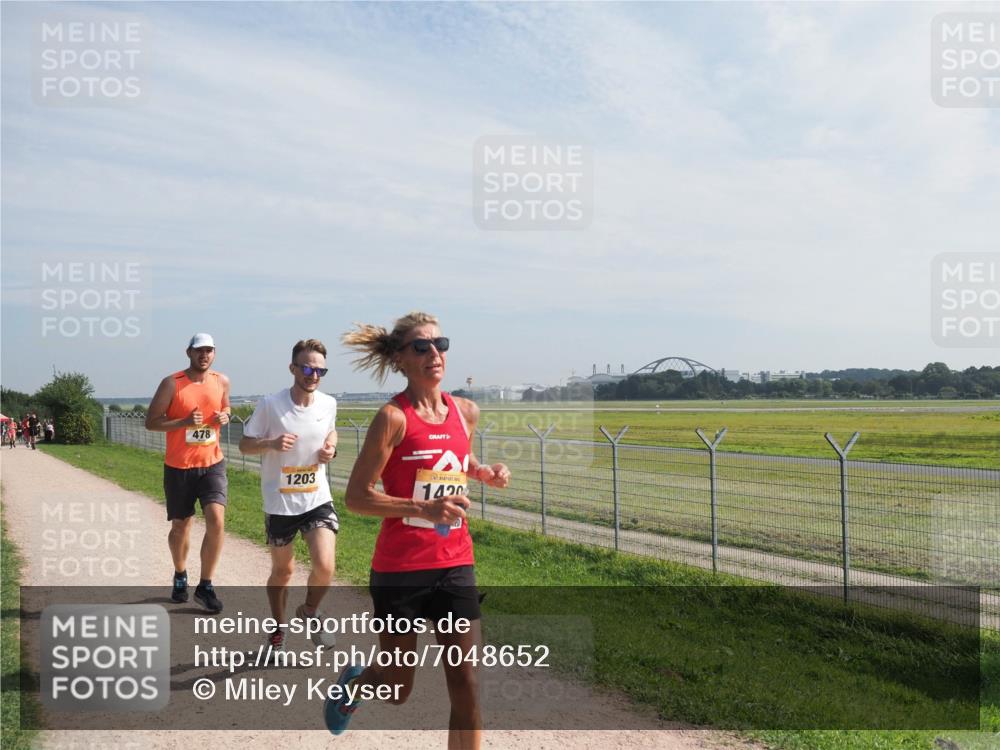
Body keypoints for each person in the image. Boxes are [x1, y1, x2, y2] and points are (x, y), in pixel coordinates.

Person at [327, 312, 511, 749]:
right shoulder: (392, 417)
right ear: (400, 359)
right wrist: (422, 508)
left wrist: (483, 471)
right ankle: (357, 683)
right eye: (421, 346)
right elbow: (356, 497)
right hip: (400, 570)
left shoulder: (465, 412)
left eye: (440, 344)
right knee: (397, 688)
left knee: (467, 683)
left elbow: (455, 458)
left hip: (455, 563)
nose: (434, 353)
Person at [239, 339, 339, 656]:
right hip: (280, 502)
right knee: (283, 572)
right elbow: (245, 444)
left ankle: (310, 611)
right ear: (293, 368)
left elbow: (331, 431)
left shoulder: (328, 404)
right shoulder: (271, 404)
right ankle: (278, 629)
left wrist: (331, 448)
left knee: (325, 565)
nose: (314, 375)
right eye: (307, 369)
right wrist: (271, 443)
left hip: (316, 498)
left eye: (320, 370)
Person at [145, 333, 231, 613]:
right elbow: (151, 422)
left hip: (212, 463)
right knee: (181, 527)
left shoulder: (221, 381)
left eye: (209, 350)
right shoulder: (172, 383)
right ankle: (180, 573)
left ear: (214, 353)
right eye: (199, 351)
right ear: (189, 353)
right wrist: (183, 422)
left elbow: (226, 405)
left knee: (216, 520)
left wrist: (226, 415)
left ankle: (205, 585)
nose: (204, 355)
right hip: (179, 467)